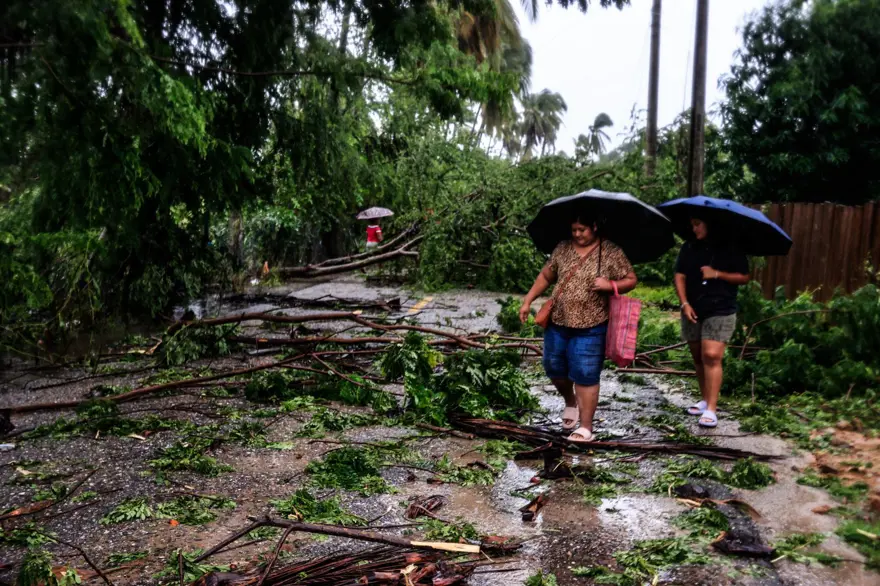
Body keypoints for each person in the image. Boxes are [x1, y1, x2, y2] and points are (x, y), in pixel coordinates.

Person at [519, 215, 638, 442]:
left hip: (592, 324)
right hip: (558, 321)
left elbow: (631, 279)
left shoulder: (610, 251)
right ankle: (570, 401)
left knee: (585, 373)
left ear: (594, 226)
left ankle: (585, 427)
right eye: (573, 229)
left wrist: (611, 285)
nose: (577, 234)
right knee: (553, 366)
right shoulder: (563, 248)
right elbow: (547, 275)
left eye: (581, 229)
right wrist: (528, 300)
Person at [673, 217, 750, 428]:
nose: (693, 227)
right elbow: (680, 276)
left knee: (712, 355)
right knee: (698, 356)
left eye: (698, 223)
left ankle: (712, 409)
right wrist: (684, 303)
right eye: (692, 224)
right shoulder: (689, 247)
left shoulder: (731, 247)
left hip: (721, 308)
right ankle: (705, 399)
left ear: (711, 223)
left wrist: (717, 274)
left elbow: (744, 277)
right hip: (693, 308)